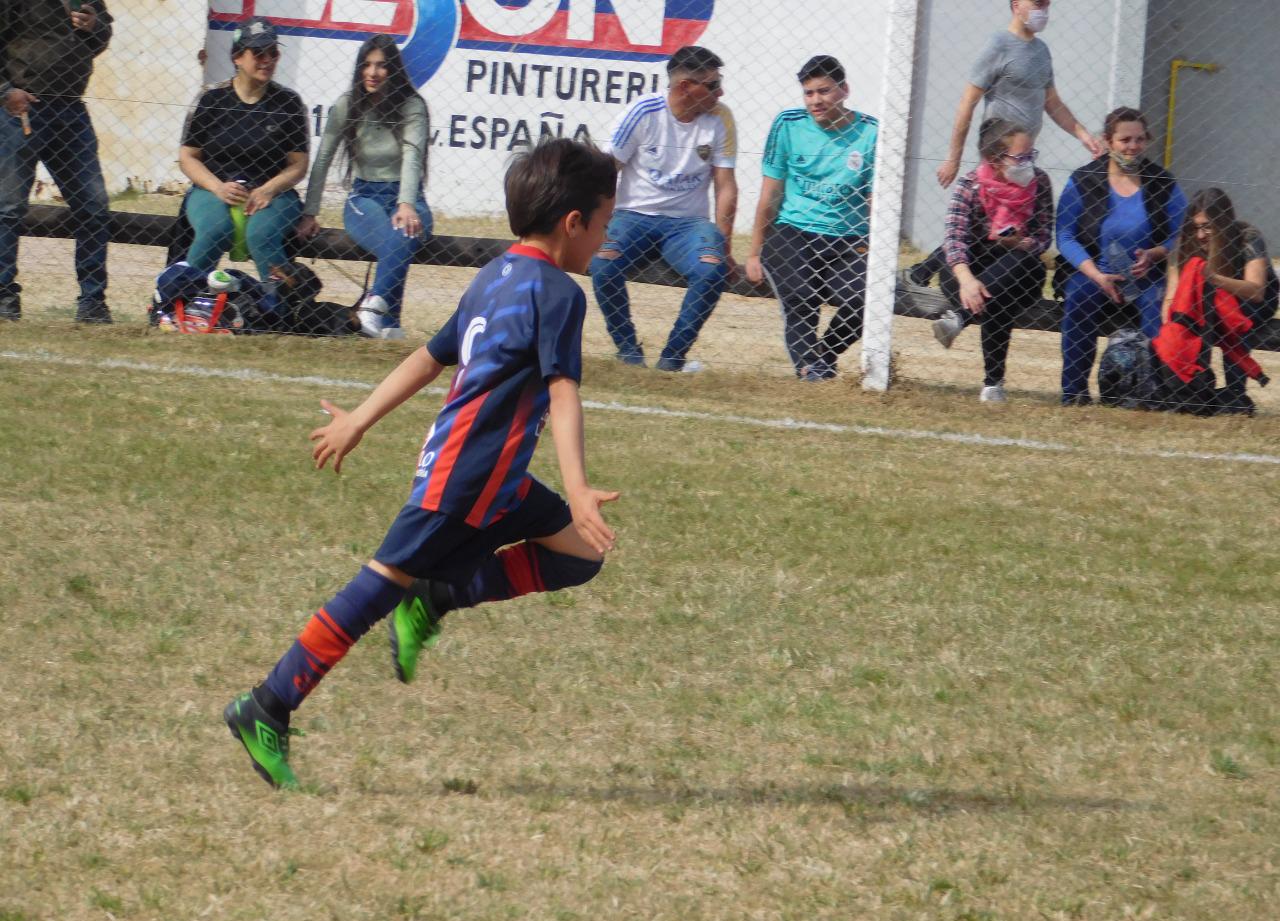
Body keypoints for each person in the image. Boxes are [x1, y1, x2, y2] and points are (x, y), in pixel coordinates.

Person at [223, 138, 621, 789]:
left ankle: (437, 597)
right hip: (465, 479)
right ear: (573, 223)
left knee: (580, 553)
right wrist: (576, 486)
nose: (606, 236)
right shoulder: (558, 292)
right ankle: (267, 705)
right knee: (375, 589)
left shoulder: (494, 274)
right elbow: (562, 391)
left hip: (496, 479)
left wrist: (360, 418)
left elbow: (428, 357)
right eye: (605, 222)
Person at [908, 0, 1100, 287]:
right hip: (999, 155)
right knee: (986, 225)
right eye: (1037, 3)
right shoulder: (999, 44)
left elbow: (1053, 103)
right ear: (1016, 4)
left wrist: (1084, 135)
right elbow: (967, 102)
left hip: (1022, 156)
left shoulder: (1041, 51)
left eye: (1046, 3)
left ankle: (924, 271)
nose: (1043, 9)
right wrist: (954, 157)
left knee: (1002, 227)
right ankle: (929, 272)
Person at [591, 45, 738, 372]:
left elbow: (725, 185)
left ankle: (672, 358)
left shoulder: (721, 118)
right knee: (602, 265)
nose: (721, 92)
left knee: (711, 271)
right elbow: (605, 171)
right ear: (685, 87)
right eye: (712, 85)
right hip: (632, 219)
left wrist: (722, 243)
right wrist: (600, 224)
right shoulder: (643, 112)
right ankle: (629, 351)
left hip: (688, 226)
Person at [744, 55, 878, 381]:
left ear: (844, 90)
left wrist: (878, 251)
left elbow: (878, 202)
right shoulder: (788, 124)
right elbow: (770, 195)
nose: (815, 101)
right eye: (808, 93)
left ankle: (825, 355)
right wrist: (753, 253)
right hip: (794, 230)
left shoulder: (871, 133)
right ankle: (808, 368)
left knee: (867, 298)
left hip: (849, 236)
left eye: (824, 91)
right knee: (800, 296)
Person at [297, 34, 430, 340]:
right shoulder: (346, 105)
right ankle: (387, 320)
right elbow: (322, 160)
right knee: (395, 243)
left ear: (393, 70)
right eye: (367, 65)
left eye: (381, 66)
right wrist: (310, 212)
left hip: (407, 196)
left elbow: (413, 156)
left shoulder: (413, 106)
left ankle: (375, 313)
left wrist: (406, 203)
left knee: (406, 231)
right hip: (365, 196)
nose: (372, 72)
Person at [1056, 107, 1186, 405]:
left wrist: (1155, 253)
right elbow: (1064, 235)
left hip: (1145, 276)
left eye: (1139, 140)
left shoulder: (1162, 182)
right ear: (1108, 141)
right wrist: (1095, 274)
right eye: (1124, 139)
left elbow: (1181, 233)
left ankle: (1153, 392)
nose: (1132, 147)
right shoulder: (1084, 179)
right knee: (1078, 300)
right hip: (1096, 274)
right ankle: (1074, 393)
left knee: (1157, 306)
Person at [1, 0, 113, 323]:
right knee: (9, 208)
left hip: (71, 111)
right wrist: (6, 90)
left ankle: (92, 302)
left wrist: (95, 27)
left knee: (93, 206)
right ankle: (4, 296)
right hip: (21, 110)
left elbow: (102, 37)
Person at [178, 16, 308, 283]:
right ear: (237, 57)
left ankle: (279, 309)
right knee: (215, 229)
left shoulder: (289, 103)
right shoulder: (211, 98)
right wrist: (217, 187)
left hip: (272, 191)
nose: (267, 60)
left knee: (261, 235)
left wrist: (268, 189)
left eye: (272, 52)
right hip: (213, 187)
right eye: (258, 53)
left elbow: (299, 164)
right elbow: (188, 157)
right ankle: (180, 300)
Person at [932, 119, 1053, 402]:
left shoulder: (1041, 182)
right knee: (998, 297)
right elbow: (954, 239)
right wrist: (967, 280)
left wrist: (1023, 242)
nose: (1028, 163)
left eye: (1030, 155)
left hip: (1019, 271)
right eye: (1020, 157)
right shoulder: (969, 185)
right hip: (967, 272)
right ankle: (993, 384)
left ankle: (959, 319)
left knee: (1021, 264)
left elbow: (1044, 235)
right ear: (995, 159)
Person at [1154, 188, 1274, 414]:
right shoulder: (1185, 243)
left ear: (1223, 223)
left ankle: (1235, 393)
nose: (1200, 235)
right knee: (1188, 319)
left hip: (1249, 303)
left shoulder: (1247, 235)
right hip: (1207, 306)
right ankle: (1194, 388)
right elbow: (1172, 296)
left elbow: (1256, 290)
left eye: (1208, 226)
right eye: (1196, 227)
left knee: (1227, 315)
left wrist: (1214, 278)